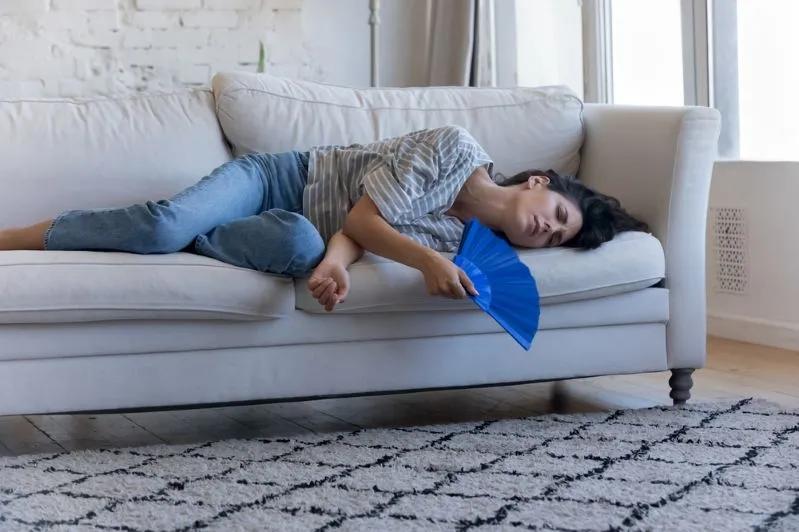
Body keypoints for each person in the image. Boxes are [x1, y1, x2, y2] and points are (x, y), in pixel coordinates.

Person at [0, 125, 648, 313]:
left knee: (303, 243)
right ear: (537, 183)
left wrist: (334, 267)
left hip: (300, 226)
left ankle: (201, 241)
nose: (547, 229)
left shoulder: (457, 237)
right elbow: (370, 219)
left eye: (558, 236)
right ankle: (12, 236)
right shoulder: (453, 148)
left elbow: (351, 236)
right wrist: (425, 263)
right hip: (276, 180)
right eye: (556, 214)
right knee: (165, 226)